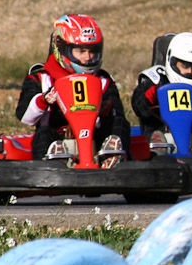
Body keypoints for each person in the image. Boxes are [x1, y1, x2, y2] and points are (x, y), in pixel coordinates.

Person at [16, 14, 131, 167]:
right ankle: (55, 163)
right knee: (43, 133)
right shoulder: (41, 78)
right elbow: (25, 117)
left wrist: (102, 110)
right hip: (57, 138)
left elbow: (118, 114)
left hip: (95, 139)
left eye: (92, 51)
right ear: (61, 48)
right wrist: (44, 100)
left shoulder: (103, 80)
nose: (87, 58)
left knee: (119, 122)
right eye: (81, 51)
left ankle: (112, 158)